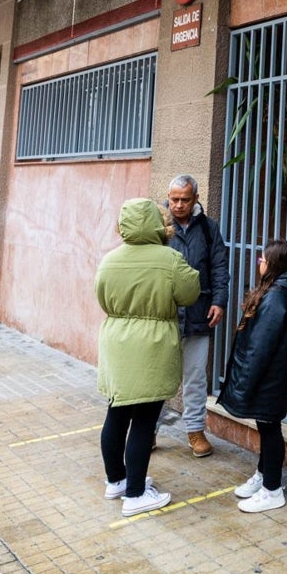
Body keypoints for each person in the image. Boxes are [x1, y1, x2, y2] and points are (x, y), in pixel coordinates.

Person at [95, 197, 200, 518]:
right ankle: (136, 494)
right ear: (158, 222)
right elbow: (189, 293)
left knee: (117, 413)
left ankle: (117, 480)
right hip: (152, 348)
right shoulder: (169, 259)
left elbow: (101, 296)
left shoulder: (109, 260)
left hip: (116, 345)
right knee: (144, 420)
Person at [216, 238, 287, 513]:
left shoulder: (277, 296)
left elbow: (262, 344)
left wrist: (248, 379)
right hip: (272, 373)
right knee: (266, 425)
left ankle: (272, 490)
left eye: (262, 259)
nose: (259, 262)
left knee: (270, 427)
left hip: (269, 374)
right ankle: (264, 476)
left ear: (273, 264)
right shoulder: (279, 291)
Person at [164, 174, 230, 458]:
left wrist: (219, 301)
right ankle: (148, 431)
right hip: (163, 316)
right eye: (174, 199)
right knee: (158, 378)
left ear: (196, 199)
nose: (178, 205)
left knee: (195, 378)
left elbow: (219, 266)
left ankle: (195, 430)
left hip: (198, 314)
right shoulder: (159, 227)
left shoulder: (208, 228)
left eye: (184, 200)